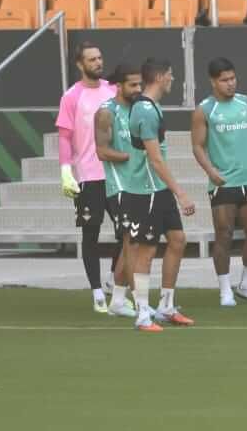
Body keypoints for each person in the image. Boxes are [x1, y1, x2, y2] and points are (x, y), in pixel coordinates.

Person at [123, 58, 197, 332]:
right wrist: (181, 193)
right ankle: (142, 314)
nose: (172, 80)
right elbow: (155, 160)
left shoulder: (151, 107)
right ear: (160, 77)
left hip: (158, 189)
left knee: (177, 239)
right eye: (170, 75)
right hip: (146, 190)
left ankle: (166, 306)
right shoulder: (145, 111)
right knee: (147, 248)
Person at [193, 57, 247, 307]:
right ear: (213, 82)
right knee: (224, 235)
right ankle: (224, 289)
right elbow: (197, 146)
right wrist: (211, 172)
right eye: (224, 80)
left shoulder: (245, 102)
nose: (230, 84)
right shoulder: (204, 109)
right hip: (223, 183)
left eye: (233, 78)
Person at [56, 41, 117, 313]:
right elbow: (65, 137)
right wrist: (66, 172)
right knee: (90, 234)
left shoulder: (112, 90)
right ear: (80, 65)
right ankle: (96, 293)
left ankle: (114, 281)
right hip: (88, 176)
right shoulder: (71, 96)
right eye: (92, 59)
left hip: (116, 174)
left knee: (128, 232)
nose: (98, 63)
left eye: (100, 57)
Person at [95, 63, 142, 319]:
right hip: (119, 186)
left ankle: (119, 301)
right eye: (132, 85)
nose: (137, 89)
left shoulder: (140, 110)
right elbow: (102, 150)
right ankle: (141, 302)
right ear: (119, 85)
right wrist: (132, 157)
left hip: (140, 185)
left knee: (131, 244)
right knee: (131, 243)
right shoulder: (106, 113)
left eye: (139, 84)